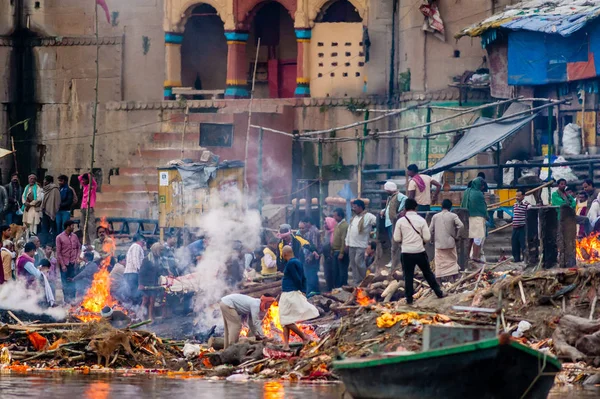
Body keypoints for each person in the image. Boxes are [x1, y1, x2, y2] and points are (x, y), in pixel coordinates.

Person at [394, 199, 444, 305]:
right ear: (416, 207)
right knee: (428, 273)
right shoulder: (421, 220)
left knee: (408, 276)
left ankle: (409, 299)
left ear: (405, 208)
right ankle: (438, 292)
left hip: (406, 252)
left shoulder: (400, 221)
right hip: (419, 251)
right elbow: (427, 237)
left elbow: (397, 238)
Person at [279, 245, 319, 350]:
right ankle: (286, 345)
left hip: (289, 293)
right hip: (291, 292)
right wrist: (304, 290)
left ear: (284, 254)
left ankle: (304, 337)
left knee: (285, 319)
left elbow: (297, 278)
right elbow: (304, 278)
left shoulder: (291, 263)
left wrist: (300, 290)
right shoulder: (298, 262)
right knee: (285, 319)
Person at [430, 199, 464, 282]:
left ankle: (439, 281)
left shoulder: (435, 216)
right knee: (452, 261)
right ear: (450, 207)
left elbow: (430, 230)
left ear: (441, 206)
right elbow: (461, 225)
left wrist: (431, 239)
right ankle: (454, 279)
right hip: (450, 243)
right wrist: (457, 236)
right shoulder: (453, 216)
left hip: (439, 244)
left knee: (439, 263)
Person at [345, 199, 377, 285]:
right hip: (351, 244)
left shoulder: (368, 216)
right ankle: (357, 282)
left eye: (355, 207)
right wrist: (347, 243)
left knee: (359, 262)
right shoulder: (354, 218)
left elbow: (377, 222)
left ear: (360, 207)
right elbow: (349, 231)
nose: (353, 209)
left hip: (361, 244)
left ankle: (364, 280)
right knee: (353, 264)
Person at [461, 177, 488, 263]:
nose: (483, 187)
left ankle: (467, 256)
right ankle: (475, 256)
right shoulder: (479, 194)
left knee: (470, 238)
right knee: (478, 238)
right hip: (477, 218)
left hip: (467, 217)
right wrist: (487, 216)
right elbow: (482, 207)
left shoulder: (467, 191)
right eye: (482, 185)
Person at [381, 181, 406, 269]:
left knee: (395, 242)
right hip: (388, 222)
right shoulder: (391, 197)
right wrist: (384, 210)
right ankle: (394, 260)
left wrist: (400, 210)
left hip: (393, 222)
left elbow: (405, 199)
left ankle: (395, 261)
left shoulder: (399, 195)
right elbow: (389, 206)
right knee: (392, 242)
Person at [55, 220, 81, 303]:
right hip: (65, 264)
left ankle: (72, 300)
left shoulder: (75, 236)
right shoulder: (59, 237)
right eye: (72, 226)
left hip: (73, 263)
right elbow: (58, 253)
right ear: (68, 227)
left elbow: (78, 248)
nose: (73, 227)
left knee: (73, 282)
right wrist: (62, 265)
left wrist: (77, 258)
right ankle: (66, 301)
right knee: (65, 283)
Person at [138, 243, 165, 320]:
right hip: (146, 283)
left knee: (152, 300)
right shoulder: (147, 259)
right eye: (160, 250)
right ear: (156, 249)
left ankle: (150, 317)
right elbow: (141, 273)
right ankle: (141, 316)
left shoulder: (158, 259)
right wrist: (140, 284)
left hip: (154, 283)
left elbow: (158, 272)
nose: (162, 251)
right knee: (145, 300)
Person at [298, 218, 321, 296]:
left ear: (308, 223)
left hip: (311, 258)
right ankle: (314, 292)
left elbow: (313, 245)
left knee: (311, 276)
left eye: (303, 227)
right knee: (310, 275)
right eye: (300, 228)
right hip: (307, 257)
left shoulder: (312, 232)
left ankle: (311, 293)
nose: (301, 229)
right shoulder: (304, 233)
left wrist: (310, 257)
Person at [124, 234, 145, 303]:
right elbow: (135, 259)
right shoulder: (136, 246)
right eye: (143, 241)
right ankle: (134, 310)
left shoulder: (134, 247)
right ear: (139, 240)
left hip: (130, 273)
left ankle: (132, 310)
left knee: (132, 293)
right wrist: (139, 270)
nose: (144, 243)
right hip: (133, 273)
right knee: (134, 293)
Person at [40, 175, 60, 246]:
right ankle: (44, 244)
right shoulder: (44, 189)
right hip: (45, 211)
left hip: (52, 211)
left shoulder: (55, 189)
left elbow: (57, 201)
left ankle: (54, 244)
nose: (44, 182)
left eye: (45, 180)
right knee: (45, 229)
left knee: (54, 229)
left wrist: (54, 209)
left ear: (48, 181)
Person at [331, 208, 349, 288]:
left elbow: (344, 240)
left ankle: (343, 286)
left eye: (335, 216)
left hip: (340, 251)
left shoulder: (344, 225)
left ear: (340, 216)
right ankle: (337, 287)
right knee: (336, 271)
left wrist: (342, 252)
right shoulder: (337, 225)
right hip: (335, 251)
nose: (334, 218)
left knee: (342, 271)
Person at [78, 173, 97, 245]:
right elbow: (79, 178)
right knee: (82, 226)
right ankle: (85, 242)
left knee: (91, 226)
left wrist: (90, 176)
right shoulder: (84, 186)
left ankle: (93, 243)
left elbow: (93, 182)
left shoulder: (93, 186)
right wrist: (85, 175)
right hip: (83, 208)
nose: (83, 181)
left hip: (90, 208)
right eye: (83, 180)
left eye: (84, 180)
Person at [322, 216, 337, 291]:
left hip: (332, 258)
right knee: (327, 275)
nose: (324, 225)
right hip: (326, 258)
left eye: (326, 223)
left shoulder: (334, 233)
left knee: (332, 275)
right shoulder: (327, 233)